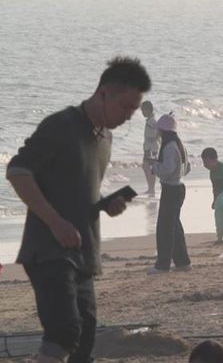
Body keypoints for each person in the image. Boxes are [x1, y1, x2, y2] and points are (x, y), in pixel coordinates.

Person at [6, 56, 150, 362]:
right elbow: (18, 171)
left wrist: (105, 205)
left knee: (85, 341)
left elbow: (76, 192)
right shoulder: (61, 125)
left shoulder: (105, 138)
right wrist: (55, 222)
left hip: (83, 252)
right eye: (125, 106)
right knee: (64, 333)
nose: (128, 116)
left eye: (134, 110)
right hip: (48, 250)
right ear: (103, 93)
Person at [149, 113, 192, 274]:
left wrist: (154, 167)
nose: (158, 133)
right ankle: (182, 262)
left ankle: (163, 265)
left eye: (159, 130)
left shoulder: (169, 147)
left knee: (165, 229)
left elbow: (166, 170)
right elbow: (187, 168)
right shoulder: (180, 144)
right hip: (179, 187)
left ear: (164, 131)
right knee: (174, 227)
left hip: (171, 189)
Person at [141, 100, 161, 197]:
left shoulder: (153, 120)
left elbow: (159, 130)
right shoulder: (150, 120)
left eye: (143, 110)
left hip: (152, 148)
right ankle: (150, 188)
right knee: (146, 166)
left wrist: (155, 138)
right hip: (148, 147)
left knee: (148, 167)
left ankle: (151, 188)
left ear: (148, 110)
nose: (142, 112)